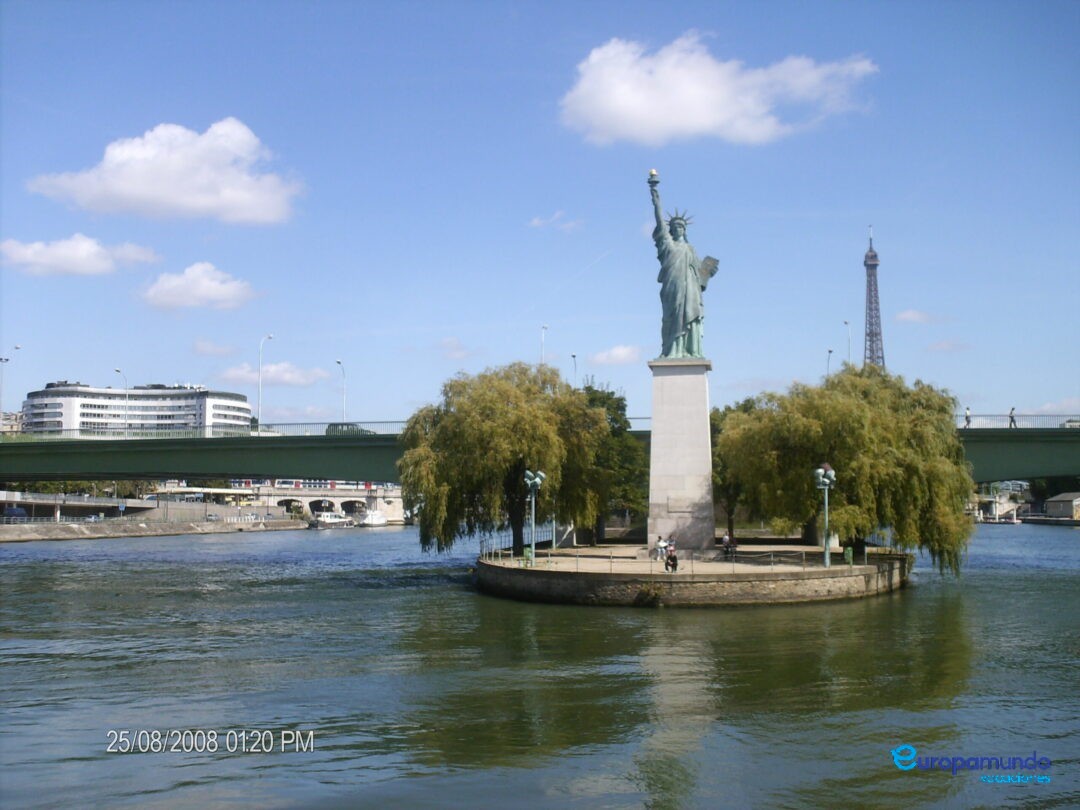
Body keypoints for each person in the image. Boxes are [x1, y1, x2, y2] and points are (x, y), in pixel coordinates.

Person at [649, 172, 717, 359]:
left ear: (684, 230)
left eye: (681, 226)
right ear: (670, 230)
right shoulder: (667, 245)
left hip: (691, 290)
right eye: (675, 226)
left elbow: (701, 275)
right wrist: (654, 193)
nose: (678, 228)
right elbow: (658, 219)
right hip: (673, 287)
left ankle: (691, 350)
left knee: (689, 315)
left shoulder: (690, 249)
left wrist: (709, 272)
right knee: (672, 317)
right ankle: (672, 350)